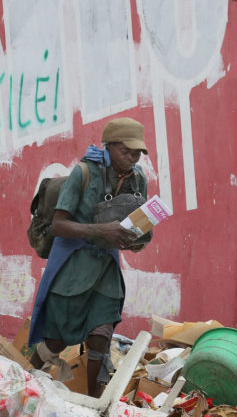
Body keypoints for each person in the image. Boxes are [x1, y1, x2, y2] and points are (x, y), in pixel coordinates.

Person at [27, 117, 152, 397]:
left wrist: (136, 238)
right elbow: (59, 225)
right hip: (72, 266)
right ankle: (22, 385)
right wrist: (101, 230)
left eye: (137, 153)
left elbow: (139, 223)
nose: (132, 158)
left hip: (106, 269)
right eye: (126, 151)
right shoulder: (83, 172)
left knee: (101, 337)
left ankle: (96, 408)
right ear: (110, 146)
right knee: (57, 338)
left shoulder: (138, 179)